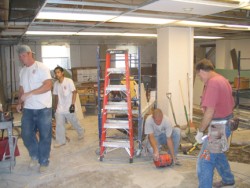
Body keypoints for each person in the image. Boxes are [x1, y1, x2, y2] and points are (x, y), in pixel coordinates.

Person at [195, 58, 235, 188]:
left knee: (205, 161)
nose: (200, 78)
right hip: (227, 122)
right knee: (217, 154)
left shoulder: (212, 83)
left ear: (202, 71)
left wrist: (201, 131)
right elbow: (229, 103)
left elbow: (209, 113)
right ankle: (228, 179)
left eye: (199, 75)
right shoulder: (223, 80)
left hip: (219, 127)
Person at [16, 45, 52, 173]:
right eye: (20, 56)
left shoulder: (41, 67)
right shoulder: (22, 71)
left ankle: (43, 160)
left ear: (30, 54)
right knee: (26, 134)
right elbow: (21, 89)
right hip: (29, 109)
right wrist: (20, 101)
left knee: (45, 136)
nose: (21, 58)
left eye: (23, 55)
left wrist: (30, 93)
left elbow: (48, 85)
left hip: (43, 108)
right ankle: (35, 155)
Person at [53, 66, 84, 148]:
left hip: (69, 106)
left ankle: (81, 132)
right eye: (55, 73)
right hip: (60, 108)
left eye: (58, 72)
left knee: (74, 122)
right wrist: (55, 108)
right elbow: (56, 96)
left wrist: (73, 104)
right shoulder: (56, 84)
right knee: (59, 124)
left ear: (62, 73)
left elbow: (74, 92)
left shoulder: (69, 81)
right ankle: (61, 141)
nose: (57, 74)